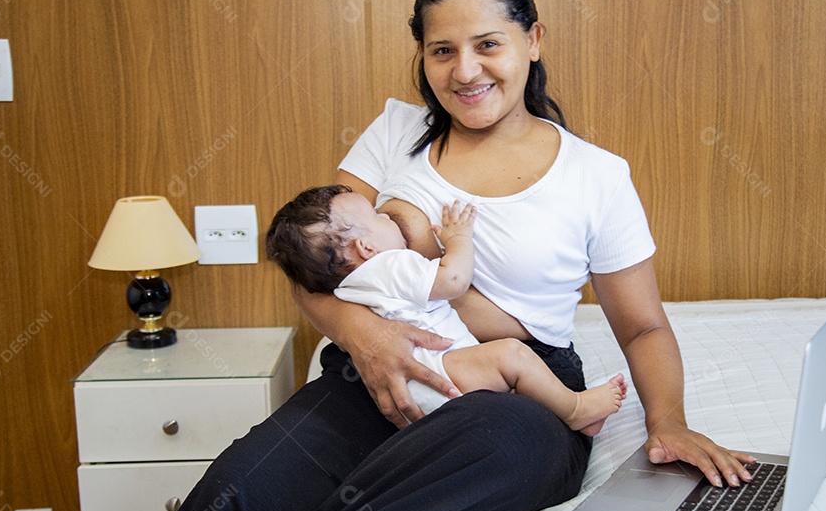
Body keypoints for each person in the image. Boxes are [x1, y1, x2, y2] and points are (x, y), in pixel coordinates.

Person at [130, 0, 754, 511]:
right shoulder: (396, 130)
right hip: (374, 367)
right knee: (240, 486)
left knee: (499, 444)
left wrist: (670, 421)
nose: (465, 71)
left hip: (520, 392)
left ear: (534, 40)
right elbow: (317, 269)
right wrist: (366, 339)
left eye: (488, 45)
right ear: (422, 58)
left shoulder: (597, 176)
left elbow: (642, 324)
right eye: (441, 51)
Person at [266, 184, 628, 434]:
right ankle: (575, 411)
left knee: (509, 380)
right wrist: (458, 239)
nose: (389, 217)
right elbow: (452, 280)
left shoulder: (348, 288)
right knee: (513, 356)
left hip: (416, 386)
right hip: (440, 375)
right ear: (366, 247)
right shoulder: (390, 266)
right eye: (378, 216)